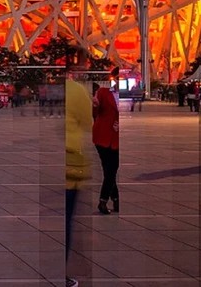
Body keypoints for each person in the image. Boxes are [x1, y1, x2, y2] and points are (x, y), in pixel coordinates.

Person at [65, 47, 93, 287]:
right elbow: (88, 123)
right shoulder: (76, 91)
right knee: (66, 219)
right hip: (71, 159)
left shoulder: (45, 91)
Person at [93, 78, 121, 215]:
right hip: (102, 136)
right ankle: (103, 201)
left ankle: (116, 199)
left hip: (117, 138)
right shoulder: (103, 92)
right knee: (110, 170)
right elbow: (95, 114)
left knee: (110, 170)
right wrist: (95, 105)